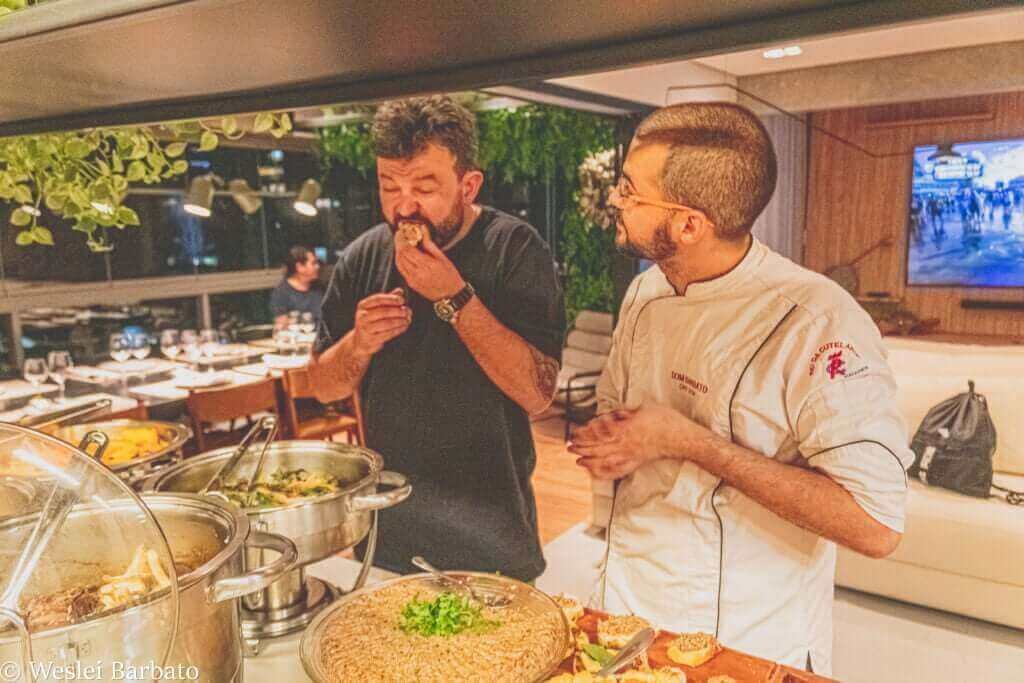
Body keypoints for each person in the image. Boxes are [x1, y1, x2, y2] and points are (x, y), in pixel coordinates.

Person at [569, 103, 912, 675]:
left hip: (742, 632)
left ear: (688, 224)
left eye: (630, 191)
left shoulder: (817, 322)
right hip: (626, 601)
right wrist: (616, 439)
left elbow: (875, 526)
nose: (615, 201)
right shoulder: (646, 291)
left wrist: (691, 442)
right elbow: (620, 407)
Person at [309, 95, 564, 582]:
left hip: (491, 528)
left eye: (424, 187)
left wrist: (452, 295)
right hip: (388, 527)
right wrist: (358, 343)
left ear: (468, 185)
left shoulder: (514, 248)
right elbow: (321, 385)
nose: (404, 206)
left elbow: (538, 393)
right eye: (390, 187)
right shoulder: (363, 256)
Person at [269, 245, 323, 327]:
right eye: (313, 263)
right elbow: (281, 326)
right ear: (299, 267)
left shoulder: (319, 288)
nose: (318, 267)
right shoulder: (281, 293)